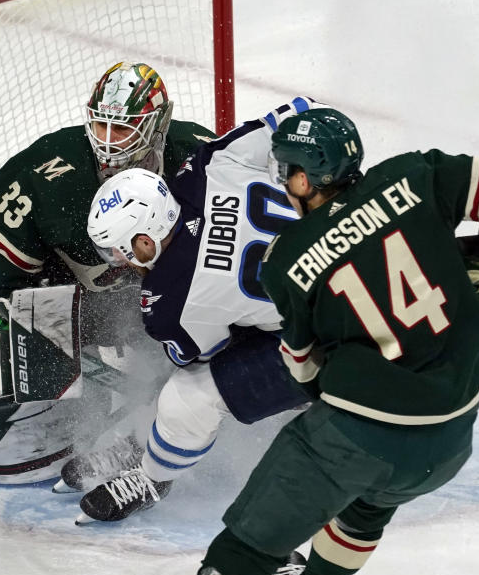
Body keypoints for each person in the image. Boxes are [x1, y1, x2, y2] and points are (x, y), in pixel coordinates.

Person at [184, 108, 479, 575]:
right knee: (370, 502)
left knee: (238, 557)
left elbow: (303, 369)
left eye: (287, 172)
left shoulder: (285, 262)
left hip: (356, 438)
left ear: (305, 177)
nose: (285, 184)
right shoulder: (414, 178)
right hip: (449, 442)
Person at [72, 98, 323, 524]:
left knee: (189, 394)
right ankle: (143, 438)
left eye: (120, 250)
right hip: (373, 261)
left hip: (346, 344)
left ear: (145, 241)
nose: (120, 261)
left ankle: (152, 474)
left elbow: (201, 355)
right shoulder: (209, 163)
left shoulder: (168, 302)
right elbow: (301, 112)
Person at [0, 61, 215, 395]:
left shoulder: (199, 155)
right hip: (87, 304)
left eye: (122, 129)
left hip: (167, 299)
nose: (106, 142)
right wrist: (16, 304)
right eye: (100, 124)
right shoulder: (52, 166)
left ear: (157, 124)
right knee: (39, 312)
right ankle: (46, 426)